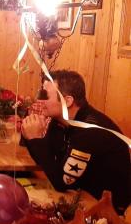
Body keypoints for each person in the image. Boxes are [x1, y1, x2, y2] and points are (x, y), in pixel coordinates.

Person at [21, 70, 130, 214]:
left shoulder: (89, 131)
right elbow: (49, 160)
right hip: (79, 193)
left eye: (45, 96)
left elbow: (61, 182)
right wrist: (28, 136)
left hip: (107, 211)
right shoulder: (60, 120)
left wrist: (34, 139)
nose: (39, 100)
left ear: (67, 101)